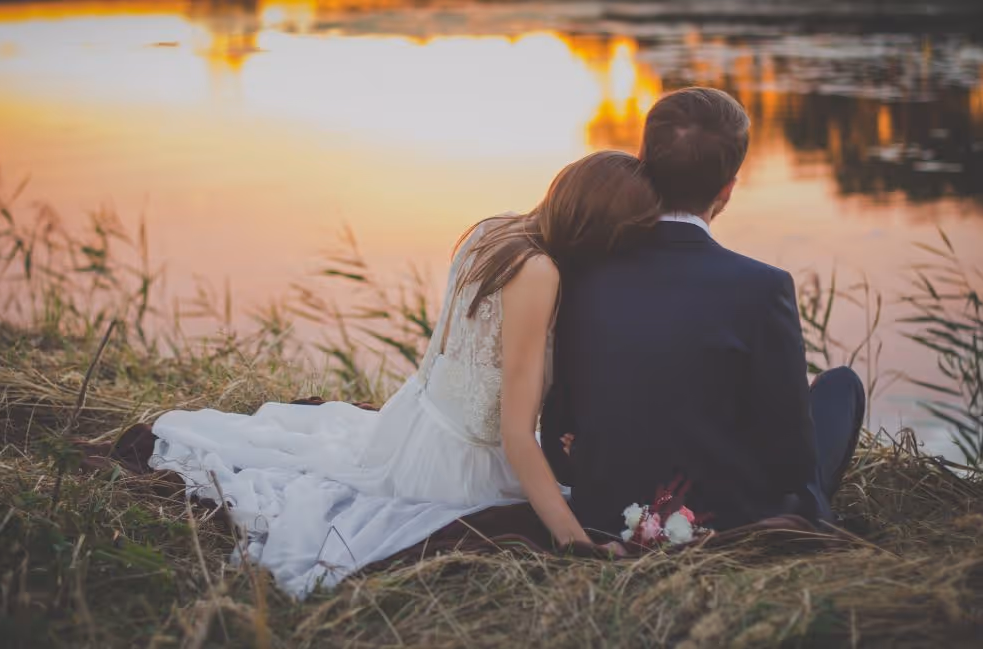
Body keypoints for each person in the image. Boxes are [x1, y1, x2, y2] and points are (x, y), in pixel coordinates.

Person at [148, 151, 661, 595]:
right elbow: (514, 433)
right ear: (603, 231)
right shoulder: (539, 272)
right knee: (575, 511)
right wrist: (573, 543)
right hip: (460, 464)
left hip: (414, 422)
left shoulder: (498, 228)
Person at [541, 88, 865, 534]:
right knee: (839, 388)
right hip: (724, 514)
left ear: (644, 165)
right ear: (728, 187)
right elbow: (791, 459)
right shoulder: (763, 287)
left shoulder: (580, 274)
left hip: (606, 511)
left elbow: (557, 443)